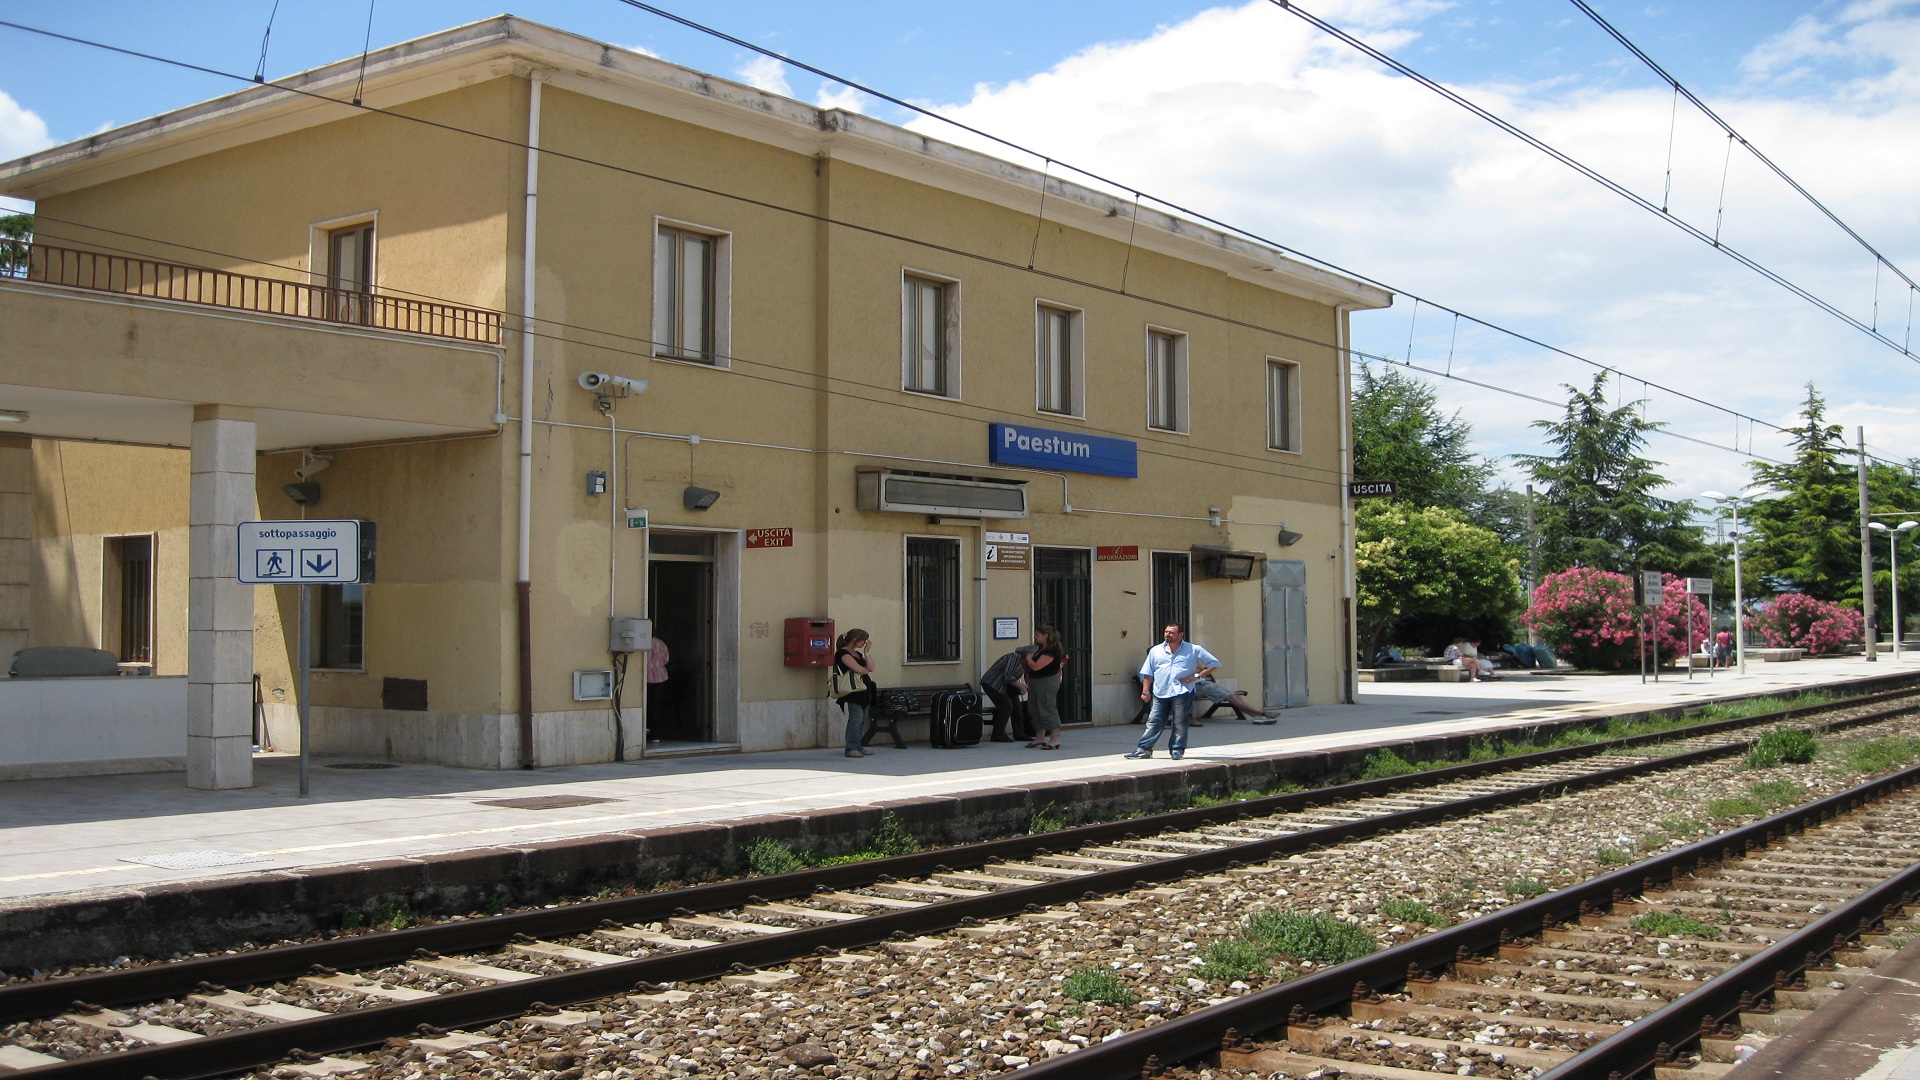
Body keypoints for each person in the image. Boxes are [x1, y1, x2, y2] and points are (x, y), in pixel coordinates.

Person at [1129, 623, 1220, 760]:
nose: (1167, 634)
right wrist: (1146, 691)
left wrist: (1196, 677)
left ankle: (1177, 750)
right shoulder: (1156, 651)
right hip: (1161, 691)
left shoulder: (1194, 649)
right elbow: (1148, 673)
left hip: (1182, 692)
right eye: (1166, 632)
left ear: (1181, 635)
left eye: (1171, 632)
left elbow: (1214, 663)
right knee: (1154, 722)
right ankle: (1143, 750)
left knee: (1180, 722)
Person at [832, 629, 877, 758]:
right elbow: (859, 669)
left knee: (862, 718)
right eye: (863, 640)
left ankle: (858, 745)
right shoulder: (842, 653)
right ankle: (851, 747)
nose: (865, 643)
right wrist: (865, 670)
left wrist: (867, 652)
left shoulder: (857, 653)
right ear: (855, 639)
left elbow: (871, 668)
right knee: (855, 718)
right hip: (854, 691)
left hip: (864, 689)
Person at [1023, 625, 1067, 749]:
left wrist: (1028, 658)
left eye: (1037, 634)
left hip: (1047, 681)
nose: (1034, 636)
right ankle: (1039, 737)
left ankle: (1054, 739)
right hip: (1035, 681)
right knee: (1034, 709)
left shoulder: (1052, 650)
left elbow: (1037, 666)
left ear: (1046, 635)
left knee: (1047, 707)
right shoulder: (1040, 649)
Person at [980, 645, 1032, 742]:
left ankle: (1019, 734)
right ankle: (998, 735)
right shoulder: (1014, 657)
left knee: (1017, 708)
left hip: (1007, 686)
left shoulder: (1026, 663)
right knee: (1006, 707)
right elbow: (1008, 675)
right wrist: (1021, 687)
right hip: (993, 684)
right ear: (1028, 654)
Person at [1191, 675, 1273, 723]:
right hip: (1195, 686)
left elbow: (1201, 669)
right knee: (1230, 696)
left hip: (1203, 683)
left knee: (1234, 695)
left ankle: (1257, 716)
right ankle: (1262, 713)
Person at [644, 635, 671, 744]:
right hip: (661, 677)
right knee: (655, 707)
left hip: (647, 677)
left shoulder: (644, 643)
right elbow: (666, 659)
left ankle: (649, 733)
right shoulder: (661, 643)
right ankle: (656, 735)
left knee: (648, 707)